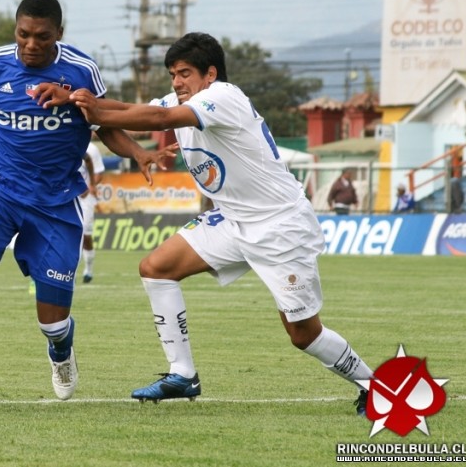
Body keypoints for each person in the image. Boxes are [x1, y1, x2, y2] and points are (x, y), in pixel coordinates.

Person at [35, 32, 374, 414]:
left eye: (184, 73)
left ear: (211, 74)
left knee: (303, 334)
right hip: (232, 221)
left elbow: (159, 118)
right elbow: (127, 109)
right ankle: (182, 375)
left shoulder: (225, 97)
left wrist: (95, 110)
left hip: (279, 226)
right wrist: (77, 99)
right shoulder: (181, 98)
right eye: (172, 74)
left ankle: (374, 386)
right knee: (156, 268)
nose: (177, 82)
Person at [0, 0, 174, 414]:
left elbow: (101, 120)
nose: (30, 44)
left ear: (58, 34)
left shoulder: (81, 70)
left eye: (41, 37)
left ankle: (61, 351)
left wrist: (138, 153)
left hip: (56, 205)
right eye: (23, 34)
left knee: (52, 321)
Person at [78, 141, 105, 283]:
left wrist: (90, 187)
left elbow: (99, 173)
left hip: (85, 197)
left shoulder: (92, 149)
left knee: (86, 235)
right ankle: (67, 272)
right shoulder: (62, 140)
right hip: (67, 195)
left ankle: (88, 269)